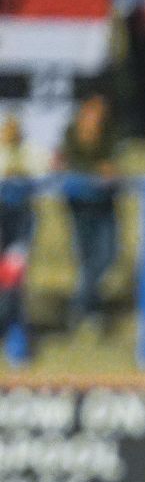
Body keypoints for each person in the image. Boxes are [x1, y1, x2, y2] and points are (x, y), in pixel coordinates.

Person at [58, 95, 120, 332]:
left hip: (104, 205)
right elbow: (68, 166)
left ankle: (81, 303)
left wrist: (110, 173)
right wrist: (94, 171)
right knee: (86, 257)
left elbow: (115, 166)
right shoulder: (70, 134)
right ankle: (88, 308)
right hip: (80, 205)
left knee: (106, 256)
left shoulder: (109, 136)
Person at [0, 115, 45, 352]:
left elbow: (45, 170)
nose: (10, 133)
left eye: (14, 129)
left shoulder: (30, 152)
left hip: (19, 227)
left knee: (13, 280)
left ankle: (14, 336)